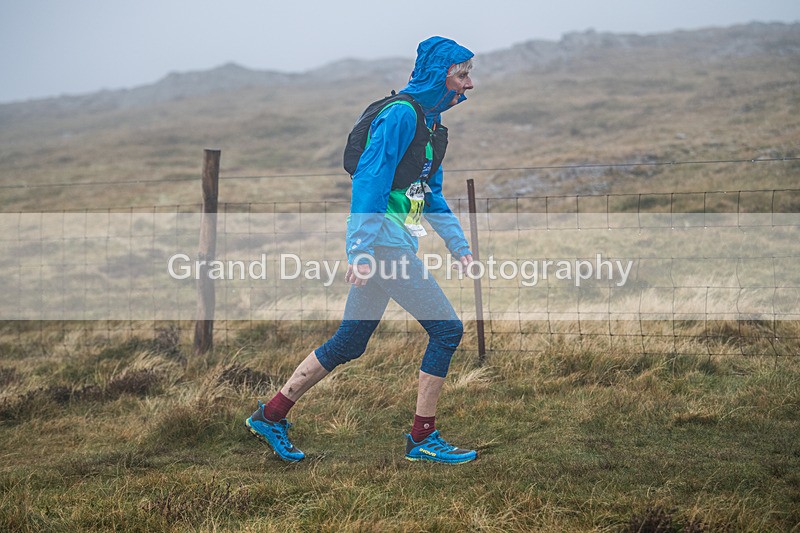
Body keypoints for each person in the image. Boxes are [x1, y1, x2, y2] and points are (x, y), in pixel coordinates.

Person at [246, 36, 477, 464]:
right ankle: (422, 438)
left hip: (395, 240)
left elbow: (430, 193)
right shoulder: (400, 116)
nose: (469, 83)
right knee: (447, 330)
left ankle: (270, 415)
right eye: (462, 74)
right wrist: (361, 251)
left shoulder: (431, 126)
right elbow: (368, 182)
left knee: (349, 341)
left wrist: (458, 245)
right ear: (438, 75)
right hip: (384, 245)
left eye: (468, 74)